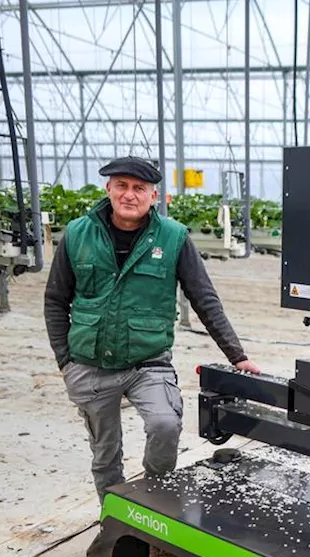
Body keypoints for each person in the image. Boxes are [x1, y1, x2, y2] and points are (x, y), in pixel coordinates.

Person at [45, 156, 260, 515]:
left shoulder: (173, 237)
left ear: (153, 195)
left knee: (165, 425)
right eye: (122, 186)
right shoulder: (77, 234)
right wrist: (64, 359)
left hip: (148, 362)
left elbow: (204, 298)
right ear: (108, 189)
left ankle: (153, 502)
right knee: (105, 452)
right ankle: (113, 519)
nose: (130, 195)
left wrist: (236, 355)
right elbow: (56, 300)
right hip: (89, 362)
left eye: (139, 188)